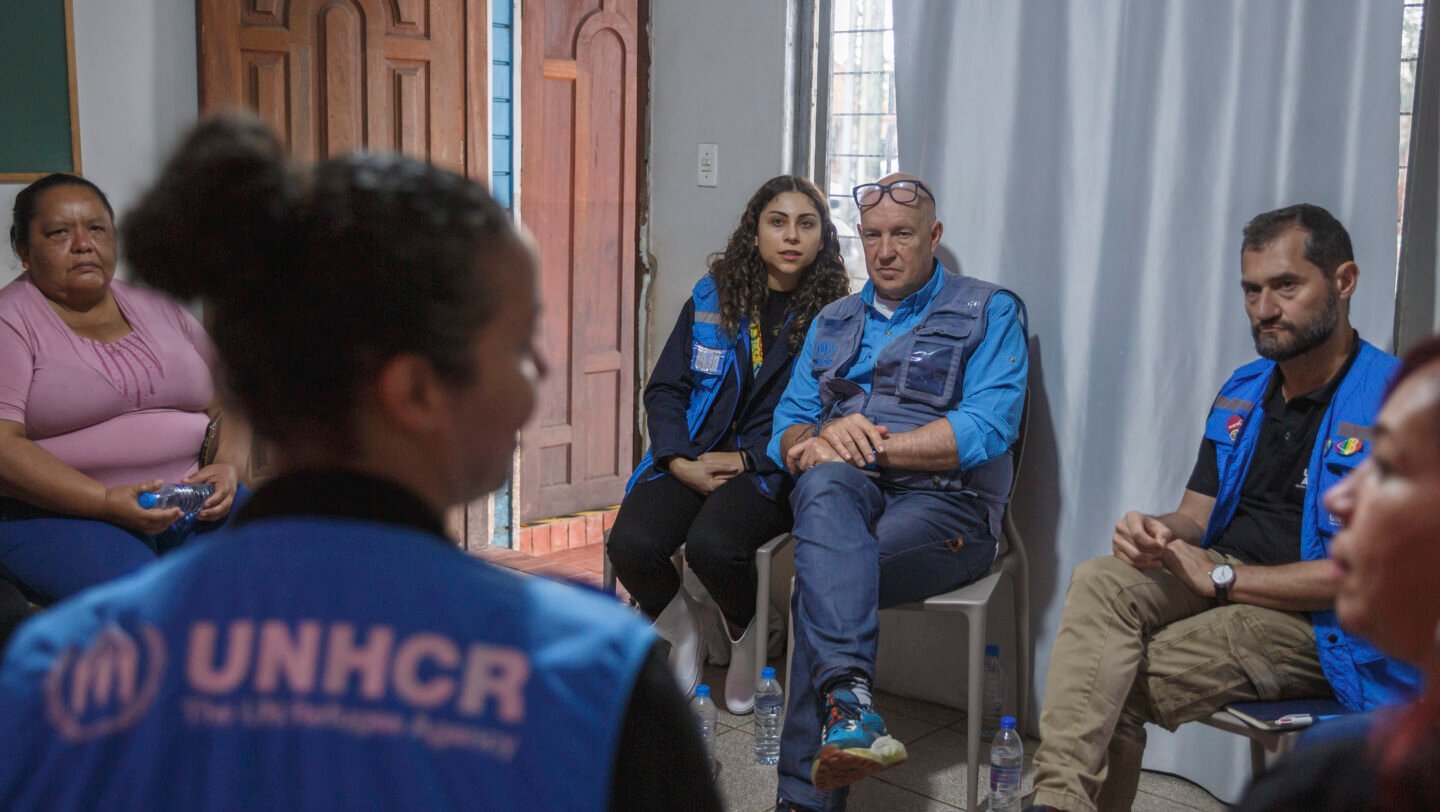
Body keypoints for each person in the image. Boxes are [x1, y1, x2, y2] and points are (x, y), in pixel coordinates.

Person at [0, 114, 718, 812]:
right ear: (414, 390)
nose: (536, 368)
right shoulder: (593, 673)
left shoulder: (56, 677)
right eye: (517, 343)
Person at [1025, 204, 1422, 812]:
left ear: (1343, 282)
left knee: (1113, 682)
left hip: (1319, 623)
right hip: (1223, 572)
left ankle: (1056, 803)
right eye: (1252, 290)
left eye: (1286, 286)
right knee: (1102, 579)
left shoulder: (1398, 403)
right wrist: (1158, 531)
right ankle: (1057, 806)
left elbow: (1366, 575)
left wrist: (1223, 579)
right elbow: (1197, 514)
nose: (1264, 309)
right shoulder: (1244, 387)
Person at [768, 173, 1029, 809]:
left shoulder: (989, 310)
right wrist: (820, 440)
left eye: (903, 235)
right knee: (825, 482)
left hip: (949, 508)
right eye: (873, 236)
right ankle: (851, 704)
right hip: (847, 497)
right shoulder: (833, 319)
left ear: (933, 236)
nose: (885, 251)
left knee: (823, 578)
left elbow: (988, 426)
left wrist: (868, 443)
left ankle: (803, 800)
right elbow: (786, 429)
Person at [608, 175, 849, 713]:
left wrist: (747, 459)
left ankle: (748, 633)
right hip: (693, 454)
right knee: (631, 544)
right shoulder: (714, 296)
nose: (791, 236)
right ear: (755, 232)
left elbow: (828, 416)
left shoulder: (838, 317)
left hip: (770, 467)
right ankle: (683, 628)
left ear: (822, 239)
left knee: (714, 548)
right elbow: (667, 387)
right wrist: (675, 459)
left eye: (806, 224)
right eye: (777, 222)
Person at [0, 173, 247, 608]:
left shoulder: (159, 306)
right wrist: (104, 501)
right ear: (23, 249)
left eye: (96, 228)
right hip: (61, 514)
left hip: (191, 499)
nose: (82, 244)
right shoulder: (11, 321)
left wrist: (228, 465)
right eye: (59, 232)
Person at [1234, 335, 1440, 811]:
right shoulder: (1356, 764)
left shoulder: (1339, 779)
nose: (1336, 499)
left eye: (1387, 466)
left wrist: (1223, 581)